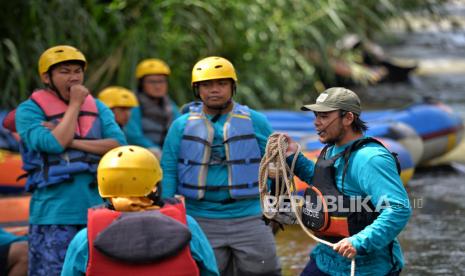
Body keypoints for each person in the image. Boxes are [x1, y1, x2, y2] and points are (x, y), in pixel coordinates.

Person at [12, 45, 127, 275]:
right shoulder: (29, 111)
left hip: (96, 210)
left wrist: (72, 141)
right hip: (53, 213)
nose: (74, 78)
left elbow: (118, 146)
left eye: (77, 71)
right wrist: (75, 104)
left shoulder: (98, 107)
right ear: (47, 77)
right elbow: (53, 144)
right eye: (64, 72)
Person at [161, 56, 281, 275]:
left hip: (251, 215)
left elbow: (276, 166)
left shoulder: (256, 121)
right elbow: (169, 170)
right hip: (200, 217)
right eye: (206, 85)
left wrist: (274, 209)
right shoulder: (180, 126)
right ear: (197, 90)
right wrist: (168, 214)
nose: (214, 90)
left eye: (221, 84)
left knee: (266, 271)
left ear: (232, 87)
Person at [283, 87, 411, 275]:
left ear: (348, 118)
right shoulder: (331, 149)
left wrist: (357, 242)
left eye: (324, 116)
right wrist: (293, 158)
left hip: (365, 267)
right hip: (326, 257)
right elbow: (326, 185)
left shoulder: (371, 159)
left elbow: (398, 209)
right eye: (316, 115)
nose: (316, 123)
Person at [61, 145, 219, 276]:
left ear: (105, 189)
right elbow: (210, 272)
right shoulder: (188, 225)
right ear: (156, 185)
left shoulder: (85, 239)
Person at [125, 58, 181, 157]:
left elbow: (180, 128)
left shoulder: (169, 104)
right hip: (139, 155)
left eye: (162, 81)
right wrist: (153, 149)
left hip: (164, 154)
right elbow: (132, 134)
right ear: (141, 84)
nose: (158, 86)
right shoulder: (133, 102)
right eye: (152, 82)